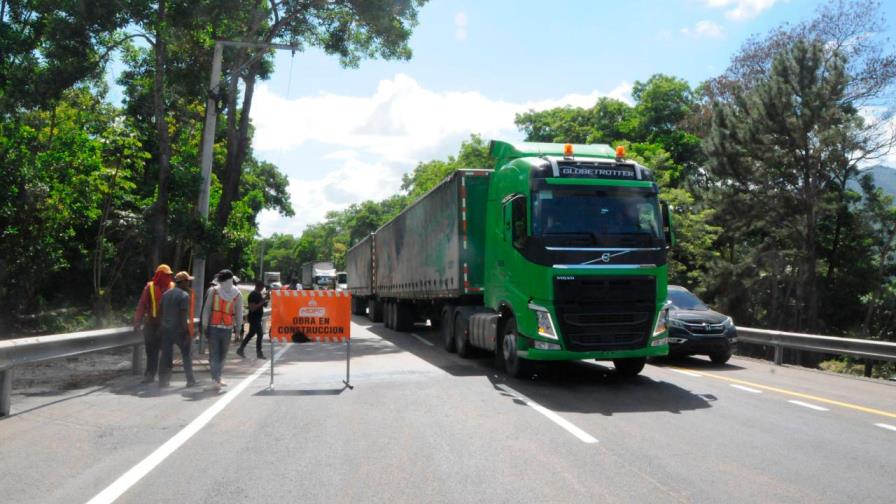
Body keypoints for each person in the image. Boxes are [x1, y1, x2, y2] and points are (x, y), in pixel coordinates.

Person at [201, 269, 243, 387]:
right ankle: (216, 378)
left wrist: (204, 325)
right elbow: (207, 309)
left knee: (219, 354)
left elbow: (238, 313)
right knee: (217, 354)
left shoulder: (234, 294)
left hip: (220, 328)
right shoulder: (216, 291)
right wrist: (238, 330)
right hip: (220, 328)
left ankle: (217, 377)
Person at [134, 264, 174, 384]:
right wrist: (137, 321)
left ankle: (164, 378)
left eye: (170, 275)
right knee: (151, 352)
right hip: (151, 324)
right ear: (159, 275)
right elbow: (142, 304)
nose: (169, 277)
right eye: (166, 275)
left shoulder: (172, 287)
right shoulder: (149, 287)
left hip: (167, 326)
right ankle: (150, 375)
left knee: (167, 352)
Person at [158, 271, 197, 388]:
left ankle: (163, 381)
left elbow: (160, 312)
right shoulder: (184, 296)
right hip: (179, 331)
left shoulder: (165, 294)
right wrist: (186, 333)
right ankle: (190, 380)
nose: (188, 284)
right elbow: (182, 316)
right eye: (187, 281)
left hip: (166, 329)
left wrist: (161, 326)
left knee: (166, 355)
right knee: (186, 355)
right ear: (183, 282)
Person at [237, 281, 267, 359]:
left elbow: (264, 305)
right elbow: (252, 308)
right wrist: (262, 302)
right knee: (260, 334)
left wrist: (266, 300)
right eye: (262, 287)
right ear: (258, 286)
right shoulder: (252, 295)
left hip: (258, 317)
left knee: (251, 334)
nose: (263, 289)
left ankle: (240, 349)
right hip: (254, 318)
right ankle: (259, 353)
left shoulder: (259, 294)